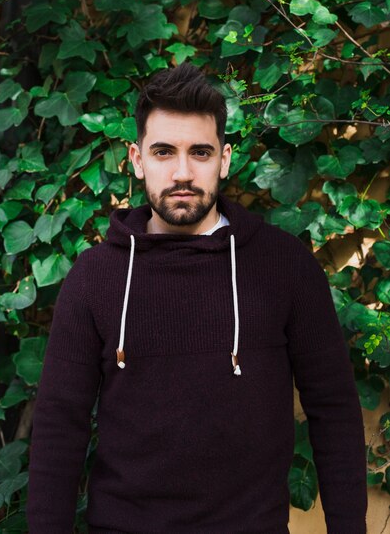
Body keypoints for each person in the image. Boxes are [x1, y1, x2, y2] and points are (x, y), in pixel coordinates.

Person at [26, 63, 367, 533]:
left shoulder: (286, 267)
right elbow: (59, 427)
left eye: (200, 152)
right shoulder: (95, 278)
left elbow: (334, 409)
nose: (182, 172)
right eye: (164, 152)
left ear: (224, 159)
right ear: (137, 159)